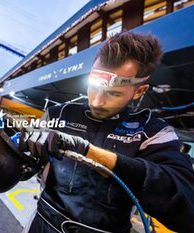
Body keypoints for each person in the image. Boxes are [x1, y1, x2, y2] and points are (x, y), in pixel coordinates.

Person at [19, 32, 194, 232]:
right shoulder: (58, 114)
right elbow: (25, 168)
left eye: (113, 93)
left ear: (139, 91)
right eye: (94, 87)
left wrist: (89, 152)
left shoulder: (153, 132)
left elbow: (185, 202)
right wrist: (22, 155)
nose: (97, 101)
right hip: (44, 224)